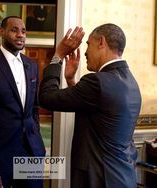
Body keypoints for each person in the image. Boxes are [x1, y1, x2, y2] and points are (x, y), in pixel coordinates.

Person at [39, 24, 141, 188]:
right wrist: (71, 81)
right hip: (122, 176)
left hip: (99, 179)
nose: (85, 52)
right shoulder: (131, 81)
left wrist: (58, 55)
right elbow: (97, 110)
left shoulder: (97, 81)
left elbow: (46, 98)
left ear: (101, 42)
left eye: (88, 44)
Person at [0, 16, 45, 188]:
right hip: (1, 156)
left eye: (23, 31)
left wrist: (35, 136)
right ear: (2, 32)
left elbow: (34, 108)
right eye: (14, 30)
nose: (20, 35)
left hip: (31, 152)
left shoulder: (32, 65)